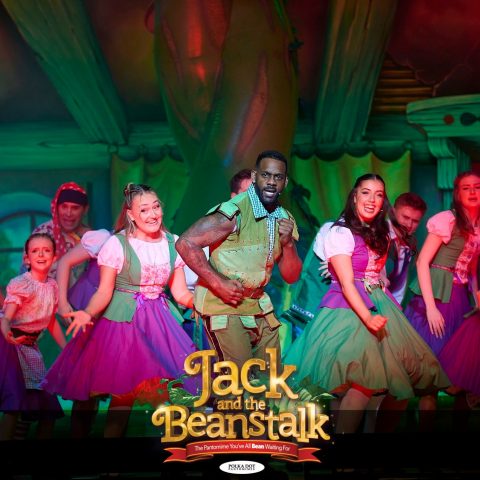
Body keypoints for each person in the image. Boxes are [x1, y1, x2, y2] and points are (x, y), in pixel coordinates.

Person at [283, 173, 449, 434]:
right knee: (358, 384)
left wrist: (379, 279)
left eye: (378, 195)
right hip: (349, 308)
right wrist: (368, 316)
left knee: (376, 384)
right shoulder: (339, 231)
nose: (372, 200)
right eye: (366, 192)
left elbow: (377, 270)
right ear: (354, 196)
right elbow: (347, 283)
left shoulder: (379, 232)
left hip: (378, 301)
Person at [42, 183, 198, 438]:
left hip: (160, 323)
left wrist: (207, 304)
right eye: (144, 210)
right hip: (124, 323)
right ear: (131, 215)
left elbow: (180, 293)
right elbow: (104, 291)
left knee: (171, 392)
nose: (152, 214)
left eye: (156, 207)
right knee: (123, 395)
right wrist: (87, 313)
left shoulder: (173, 243)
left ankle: (174, 452)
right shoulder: (117, 244)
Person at [176, 150, 302, 371]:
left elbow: (291, 277)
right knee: (238, 380)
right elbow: (185, 243)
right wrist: (218, 283)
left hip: (258, 304)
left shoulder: (284, 218)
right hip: (224, 305)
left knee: (270, 378)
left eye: (278, 177)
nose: (271, 182)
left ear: (285, 182)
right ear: (254, 176)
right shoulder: (233, 212)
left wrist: (288, 244)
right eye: (265, 175)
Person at [405, 171, 480, 430]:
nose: (472, 192)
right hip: (436, 296)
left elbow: (471, 270)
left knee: (463, 375)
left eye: (477, 187)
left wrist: (477, 299)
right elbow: (422, 262)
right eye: (466, 188)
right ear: (457, 193)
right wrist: (431, 308)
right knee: (431, 376)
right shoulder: (447, 220)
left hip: (460, 299)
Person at [0, 233, 66, 440]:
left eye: (46, 251)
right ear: (27, 258)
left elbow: (51, 320)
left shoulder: (53, 286)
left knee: (46, 405)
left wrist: (66, 348)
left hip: (29, 346)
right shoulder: (21, 283)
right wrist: (7, 333)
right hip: (10, 344)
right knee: (14, 402)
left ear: (54, 257)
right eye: (35, 251)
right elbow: (6, 317)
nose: (41, 255)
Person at [182, 169, 253, 349]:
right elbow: (192, 267)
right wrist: (216, 286)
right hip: (213, 314)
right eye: (247, 193)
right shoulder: (219, 225)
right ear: (234, 197)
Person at [32, 182, 90, 279]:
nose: (68, 213)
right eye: (64, 206)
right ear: (56, 208)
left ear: (85, 210)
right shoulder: (42, 234)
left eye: (75, 208)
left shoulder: (90, 237)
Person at [386, 192, 427, 306]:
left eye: (415, 221)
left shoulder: (410, 244)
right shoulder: (378, 234)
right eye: (405, 217)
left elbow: (400, 286)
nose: (409, 224)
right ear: (393, 212)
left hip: (391, 307)